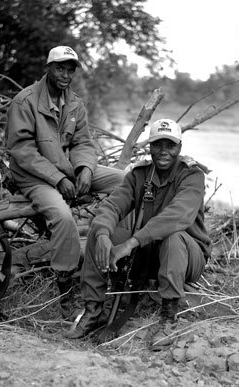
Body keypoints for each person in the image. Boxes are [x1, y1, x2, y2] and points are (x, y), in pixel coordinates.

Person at [65, 118, 211, 350]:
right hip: (147, 252)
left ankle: (169, 315)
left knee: (173, 238)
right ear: (150, 147)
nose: (163, 152)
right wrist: (103, 233)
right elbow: (113, 206)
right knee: (97, 230)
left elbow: (177, 216)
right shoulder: (139, 175)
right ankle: (93, 310)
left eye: (170, 145)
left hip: (186, 256)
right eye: (157, 145)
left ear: (179, 148)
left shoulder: (192, 176)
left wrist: (131, 242)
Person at [6, 45, 125, 319]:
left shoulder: (75, 103)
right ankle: (65, 287)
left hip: (66, 170)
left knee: (123, 181)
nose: (66, 75)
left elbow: (83, 142)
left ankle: (113, 248)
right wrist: (58, 179)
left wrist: (84, 169)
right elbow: (23, 151)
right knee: (62, 217)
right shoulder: (25, 102)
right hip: (34, 176)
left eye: (71, 70)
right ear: (48, 68)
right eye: (60, 68)